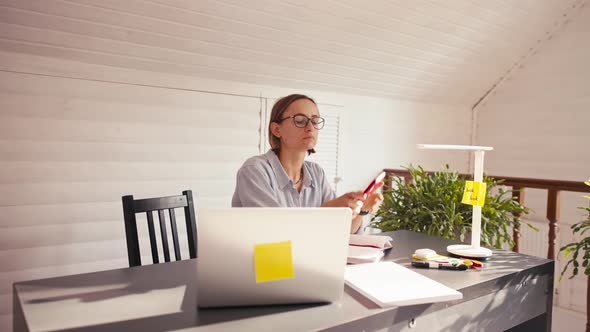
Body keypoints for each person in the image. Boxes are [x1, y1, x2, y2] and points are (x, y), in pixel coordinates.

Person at [231, 94, 383, 233]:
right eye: (300, 120)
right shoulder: (254, 171)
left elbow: (343, 230)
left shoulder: (317, 173)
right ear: (277, 130)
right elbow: (275, 232)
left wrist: (361, 210)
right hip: (265, 262)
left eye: (315, 121)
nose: (310, 128)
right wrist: (327, 211)